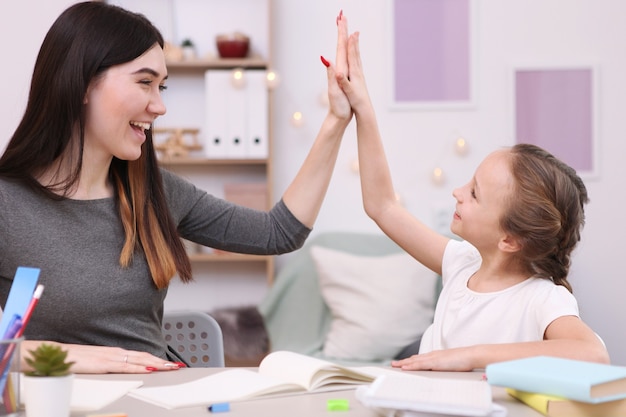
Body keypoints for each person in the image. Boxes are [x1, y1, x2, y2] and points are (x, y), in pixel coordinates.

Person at [0, 2, 352, 374]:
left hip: (160, 399)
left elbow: (279, 232)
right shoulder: (8, 203)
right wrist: (64, 357)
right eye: (145, 82)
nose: (160, 106)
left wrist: (335, 121)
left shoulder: (155, 193)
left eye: (162, 86)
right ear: (84, 83)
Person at [333, 14, 610, 371]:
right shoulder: (462, 264)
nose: (457, 192)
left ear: (509, 239)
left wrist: (470, 355)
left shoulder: (542, 300)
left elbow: (593, 354)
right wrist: (363, 108)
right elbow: (382, 207)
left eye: (475, 194)